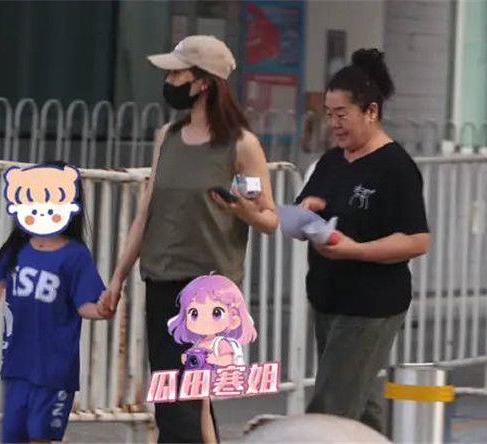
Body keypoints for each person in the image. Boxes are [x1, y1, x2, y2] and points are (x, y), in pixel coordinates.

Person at [100, 35, 278, 443]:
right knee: (182, 400)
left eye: (176, 73)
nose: (169, 80)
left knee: (180, 402)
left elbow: (269, 219)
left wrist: (242, 209)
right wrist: (118, 278)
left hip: (209, 292)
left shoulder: (241, 144)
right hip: (161, 279)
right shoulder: (168, 136)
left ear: (203, 82)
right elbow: (147, 211)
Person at [294, 48, 430, 433]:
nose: (334, 125)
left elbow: (417, 240)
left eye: (342, 115)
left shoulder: (395, 167)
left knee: (331, 409)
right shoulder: (331, 161)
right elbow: (306, 208)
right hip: (328, 300)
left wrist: (356, 250)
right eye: (329, 114)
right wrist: (305, 211)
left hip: (369, 306)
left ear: (371, 111)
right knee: (362, 407)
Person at [0, 161, 111, 443]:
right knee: (13, 436)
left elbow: (84, 304)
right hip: (17, 365)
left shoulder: (75, 255)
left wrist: (102, 309)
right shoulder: (16, 249)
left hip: (54, 370)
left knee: (40, 437)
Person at [167, 274, 257, 369]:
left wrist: (214, 359)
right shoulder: (198, 343)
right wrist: (186, 358)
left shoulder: (220, 342)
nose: (203, 321)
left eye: (216, 313)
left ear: (234, 321)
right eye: (194, 313)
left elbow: (229, 359)